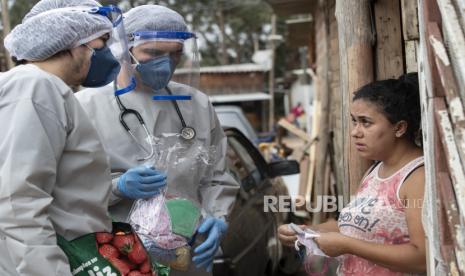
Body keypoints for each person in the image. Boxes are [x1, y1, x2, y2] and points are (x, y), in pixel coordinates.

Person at [76, 5, 240, 275]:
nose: (166, 63)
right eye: (153, 53)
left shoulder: (195, 104)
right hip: (116, 255)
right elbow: (67, 189)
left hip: (185, 253)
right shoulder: (85, 106)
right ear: (122, 48)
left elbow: (218, 175)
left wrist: (218, 215)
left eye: (175, 54)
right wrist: (117, 188)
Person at [0, 0, 158, 275]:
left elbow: (65, 193)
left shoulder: (46, 89)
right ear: (72, 39)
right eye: (102, 41)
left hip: (72, 252)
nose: (108, 53)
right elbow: (19, 202)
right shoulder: (34, 86)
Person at [278, 73, 426, 275]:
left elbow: (421, 259)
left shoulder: (418, 177)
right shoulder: (376, 171)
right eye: (354, 121)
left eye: (366, 123)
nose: (355, 132)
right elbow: (352, 227)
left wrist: (348, 245)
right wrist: (306, 231)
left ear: (399, 128)